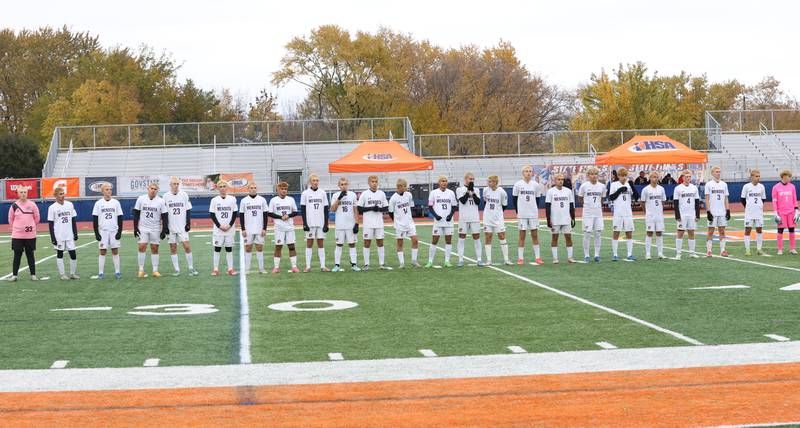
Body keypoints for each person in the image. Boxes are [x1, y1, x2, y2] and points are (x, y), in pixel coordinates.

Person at [163, 177, 198, 276]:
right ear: (170, 185)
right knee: (173, 248)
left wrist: (188, 223)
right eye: (174, 184)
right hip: (171, 227)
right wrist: (165, 227)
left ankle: (191, 268)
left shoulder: (184, 195)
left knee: (187, 246)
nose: (176, 185)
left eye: (177, 184)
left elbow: (188, 210)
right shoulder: (165, 196)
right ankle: (177, 269)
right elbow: (164, 213)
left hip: (182, 226)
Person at [133, 183, 168, 278]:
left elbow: (165, 216)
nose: (153, 190)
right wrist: (135, 227)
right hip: (143, 227)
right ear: (148, 189)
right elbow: (136, 213)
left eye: (155, 189)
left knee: (155, 248)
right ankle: (141, 270)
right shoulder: (141, 199)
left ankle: (155, 270)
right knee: (141, 247)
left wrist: (164, 230)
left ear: (157, 191)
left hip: (155, 228)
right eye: (151, 188)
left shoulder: (161, 201)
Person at [357, 175, 391, 270]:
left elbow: (386, 207)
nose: (374, 183)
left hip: (379, 223)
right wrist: (371, 208)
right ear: (369, 183)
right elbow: (359, 208)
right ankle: (366, 264)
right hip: (368, 223)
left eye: (376, 181)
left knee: (380, 242)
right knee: (367, 243)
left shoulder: (382, 194)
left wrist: (379, 209)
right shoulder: (364, 194)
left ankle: (382, 264)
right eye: (372, 181)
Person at [513, 165, 544, 265]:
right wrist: (518, 212)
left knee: (535, 235)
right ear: (523, 173)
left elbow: (537, 199)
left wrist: (534, 210)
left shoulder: (535, 185)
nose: (528, 173)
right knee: (522, 236)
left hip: (533, 214)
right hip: (522, 214)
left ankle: (538, 257)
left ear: (532, 173)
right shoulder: (518, 184)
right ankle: (520, 258)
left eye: (530, 171)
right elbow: (514, 199)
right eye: (526, 171)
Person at [7, 187, 39, 281]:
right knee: (17, 254)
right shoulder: (14, 206)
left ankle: (33, 275)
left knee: (30, 254)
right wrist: (17, 229)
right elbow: (10, 219)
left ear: (27, 193)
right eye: (21, 192)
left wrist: (30, 226)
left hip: (30, 235)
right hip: (17, 235)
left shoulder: (32, 205)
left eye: (25, 192)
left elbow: (37, 218)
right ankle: (14, 275)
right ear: (18, 193)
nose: (23, 194)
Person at [92, 183, 123, 279]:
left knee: (115, 251)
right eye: (107, 189)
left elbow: (120, 217)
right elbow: (95, 219)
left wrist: (119, 232)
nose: (109, 191)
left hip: (114, 230)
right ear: (102, 191)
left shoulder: (116, 203)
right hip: (103, 231)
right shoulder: (98, 203)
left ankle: (117, 272)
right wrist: (96, 233)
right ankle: (101, 272)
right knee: (102, 251)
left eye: (110, 189)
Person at [268, 181, 300, 273]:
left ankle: (294, 266)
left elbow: (295, 212)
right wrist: (280, 217)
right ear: (278, 190)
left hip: (289, 227)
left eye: (285, 189)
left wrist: (288, 216)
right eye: (282, 189)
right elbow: (270, 213)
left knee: (291, 246)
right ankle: (276, 267)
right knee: (278, 247)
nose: (284, 191)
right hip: (279, 227)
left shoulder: (291, 199)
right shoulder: (274, 200)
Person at [48, 187, 79, 280]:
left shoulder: (70, 205)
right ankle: (62, 275)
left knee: (73, 254)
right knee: (60, 254)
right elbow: (50, 224)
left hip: (69, 235)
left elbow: (73, 220)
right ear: (55, 196)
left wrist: (75, 233)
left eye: (63, 193)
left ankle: (72, 274)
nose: (63, 195)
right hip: (59, 236)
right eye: (60, 194)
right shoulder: (52, 207)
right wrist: (53, 238)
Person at [300, 174, 330, 272]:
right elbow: (303, 209)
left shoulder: (323, 193)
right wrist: (304, 223)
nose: (315, 182)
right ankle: (308, 266)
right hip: (310, 222)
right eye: (313, 180)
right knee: (309, 243)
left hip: (320, 223)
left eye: (317, 180)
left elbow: (326, 209)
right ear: (310, 182)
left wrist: (326, 223)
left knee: (321, 244)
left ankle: (323, 266)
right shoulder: (305, 193)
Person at [426, 175, 457, 268]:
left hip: (448, 222)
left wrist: (450, 216)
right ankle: (430, 261)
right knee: (434, 241)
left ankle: (447, 261)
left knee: (448, 241)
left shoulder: (451, 193)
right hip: (438, 222)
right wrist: (436, 216)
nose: (444, 182)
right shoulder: (433, 193)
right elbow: (430, 206)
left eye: (446, 181)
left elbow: (454, 206)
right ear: (439, 183)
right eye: (442, 181)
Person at [389, 178, 420, 268]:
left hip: (410, 223)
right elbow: (391, 212)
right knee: (400, 243)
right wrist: (396, 221)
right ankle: (402, 263)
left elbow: (411, 206)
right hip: (400, 225)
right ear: (399, 187)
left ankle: (414, 261)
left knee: (415, 240)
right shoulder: (393, 198)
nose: (406, 188)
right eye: (404, 186)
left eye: (406, 186)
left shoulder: (409, 195)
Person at [577, 167, 607, 262]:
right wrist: (587, 206)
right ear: (588, 175)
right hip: (587, 214)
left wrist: (596, 207)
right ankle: (586, 255)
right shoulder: (584, 186)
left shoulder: (602, 186)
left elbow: (602, 199)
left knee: (598, 233)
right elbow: (580, 198)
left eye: (596, 174)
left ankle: (597, 255)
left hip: (598, 213)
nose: (594, 176)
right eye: (592, 174)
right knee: (587, 233)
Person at [330, 177, 360, 272]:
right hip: (340, 225)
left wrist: (356, 223)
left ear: (348, 185)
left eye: (345, 184)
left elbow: (356, 210)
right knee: (339, 244)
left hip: (350, 225)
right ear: (339, 186)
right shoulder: (335, 195)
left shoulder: (352, 195)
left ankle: (354, 264)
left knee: (352, 244)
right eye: (342, 184)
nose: (344, 186)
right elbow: (333, 209)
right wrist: (339, 198)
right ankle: (337, 265)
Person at [545, 173, 576, 264]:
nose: (560, 181)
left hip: (566, 219)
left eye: (562, 179)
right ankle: (555, 258)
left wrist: (573, 218)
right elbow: (547, 206)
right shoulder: (551, 191)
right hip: (555, 219)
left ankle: (570, 257)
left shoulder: (568, 191)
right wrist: (548, 220)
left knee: (568, 237)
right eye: (558, 179)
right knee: (555, 238)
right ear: (555, 180)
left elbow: (571, 205)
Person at [608, 168, 638, 261]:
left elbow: (636, 197)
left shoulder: (629, 185)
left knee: (629, 233)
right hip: (618, 213)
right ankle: (615, 254)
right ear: (618, 176)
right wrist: (620, 190)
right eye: (621, 176)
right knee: (616, 232)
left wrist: (632, 186)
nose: (623, 177)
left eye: (625, 175)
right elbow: (611, 197)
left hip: (628, 213)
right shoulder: (614, 185)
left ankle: (629, 254)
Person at [209, 180, 238, 276]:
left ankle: (230, 269)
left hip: (230, 229)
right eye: (220, 186)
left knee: (229, 249)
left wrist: (229, 225)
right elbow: (212, 215)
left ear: (227, 187)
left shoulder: (232, 199)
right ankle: (216, 269)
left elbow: (234, 213)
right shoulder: (214, 200)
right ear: (218, 188)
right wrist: (219, 226)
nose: (222, 188)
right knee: (217, 248)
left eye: (224, 186)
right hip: (218, 230)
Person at [239, 182, 269, 273]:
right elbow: (241, 216)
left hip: (259, 228)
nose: (253, 189)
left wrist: (264, 228)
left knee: (260, 248)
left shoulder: (262, 200)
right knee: (248, 248)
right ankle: (247, 269)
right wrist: (243, 229)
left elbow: (265, 215)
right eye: (251, 188)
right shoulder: (244, 201)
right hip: (248, 229)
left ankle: (261, 268)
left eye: (255, 187)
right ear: (248, 189)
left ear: (257, 189)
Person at [482, 175, 511, 266]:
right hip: (487, 218)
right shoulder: (485, 190)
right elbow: (485, 202)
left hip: (498, 219)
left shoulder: (502, 192)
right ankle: (489, 260)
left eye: (490, 181)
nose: (488, 183)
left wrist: (497, 213)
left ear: (495, 182)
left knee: (502, 236)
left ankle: (506, 259)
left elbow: (504, 205)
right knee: (488, 237)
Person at [455, 172, 482, 267]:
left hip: (474, 217)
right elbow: (462, 201)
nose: (472, 181)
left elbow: (478, 202)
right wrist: (468, 191)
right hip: (464, 218)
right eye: (470, 179)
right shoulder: (459, 189)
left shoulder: (477, 190)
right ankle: (460, 259)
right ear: (465, 179)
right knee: (461, 237)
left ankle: (479, 259)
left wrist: (473, 192)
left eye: (473, 179)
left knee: (476, 237)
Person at [673, 169, 701, 260]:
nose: (688, 178)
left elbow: (697, 202)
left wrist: (697, 215)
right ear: (682, 177)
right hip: (682, 214)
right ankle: (678, 253)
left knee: (691, 233)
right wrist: (677, 216)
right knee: (680, 232)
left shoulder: (694, 188)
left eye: (689, 176)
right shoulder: (678, 188)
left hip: (691, 214)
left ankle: (692, 252)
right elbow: (676, 203)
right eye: (686, 176)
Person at [704, 166, 730, 257]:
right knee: (710, 231)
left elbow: (726, 198)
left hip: (722, 212)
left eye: (719, 171)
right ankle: (709, 250)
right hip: (713, 212)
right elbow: (707, 199)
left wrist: (728, 210)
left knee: (722, 231)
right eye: (716, 172)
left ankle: (722, 250)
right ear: (712, 173)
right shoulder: (709, 184)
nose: (718, 173)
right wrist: (708, 211)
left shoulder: (724, 184)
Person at [771, 170, 798, 255]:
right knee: (780, 230)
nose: (790, 178)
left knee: (792, 229)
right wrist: (775, 213)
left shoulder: (792, 187)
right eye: (789, 176)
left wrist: (797, 211)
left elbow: (794, 199)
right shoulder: (776, 187)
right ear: (784, 176)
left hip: (791, 211)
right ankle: (780, 249)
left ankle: (792, 248)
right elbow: (774, 201)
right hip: (781, 212)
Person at [641, 171, 667, 260]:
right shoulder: (646, 189)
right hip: (650, 215)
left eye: (657, 177)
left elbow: (663, 201)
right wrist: (646, 212)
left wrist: (659, 210)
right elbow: (642, 202)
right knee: (649, 233)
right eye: (653, 177)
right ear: (650, 178)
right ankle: (648, 254)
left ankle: (660, 253)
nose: (655, 178)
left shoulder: (661, 189)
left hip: (659, 215)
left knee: (659, 233)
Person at [741, 170, 767, 256]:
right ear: (751, 177)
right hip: (749, 213)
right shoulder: (746, 186)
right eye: (756, 176)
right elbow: (742, 199)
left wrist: (759, 206)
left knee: (759, 230)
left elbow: (763, 199)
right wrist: (748, 207)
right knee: (747, 230)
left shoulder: (761, 187)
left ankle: (759, 249)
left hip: (759, 213)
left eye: (759, 176)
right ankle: (747, 250)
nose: (758, 178)